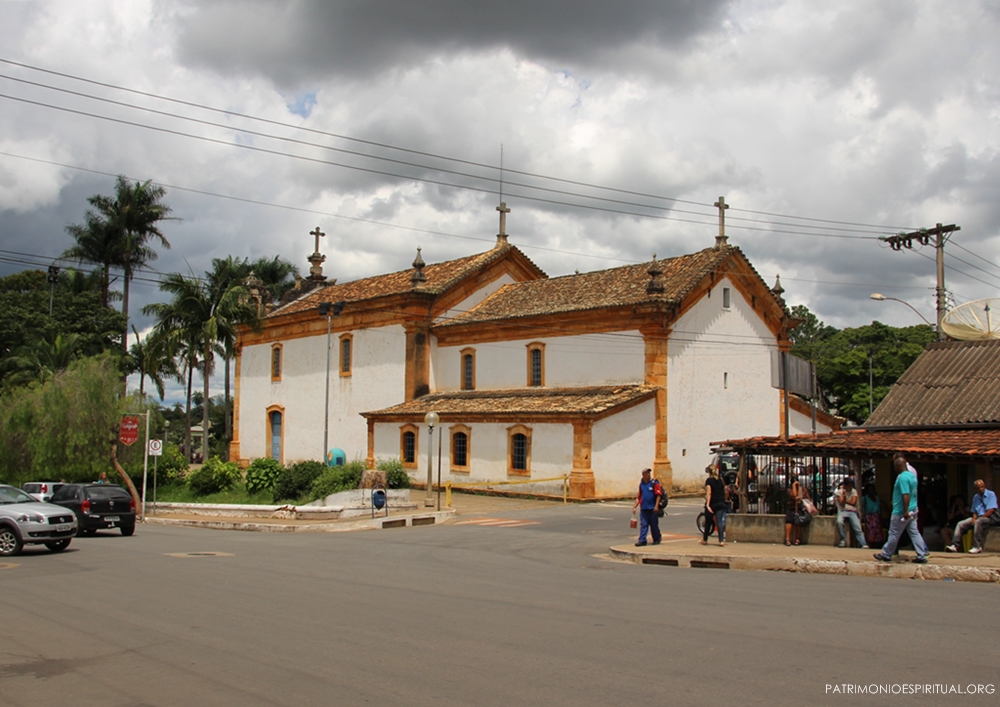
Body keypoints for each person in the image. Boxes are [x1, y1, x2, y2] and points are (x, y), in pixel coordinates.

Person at [873, 454, 929, 564]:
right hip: (913, 509)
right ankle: (922, 554)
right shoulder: (912, 475)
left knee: (894, 533)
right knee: (914, 532)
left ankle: (886, 554)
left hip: (901, 511)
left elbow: (905, 494)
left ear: (898, 466)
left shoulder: (902, 477)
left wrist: (905, 511)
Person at [944, 480, 999, 554]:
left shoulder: (991, 494)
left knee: (979, 522)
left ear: (984, 486)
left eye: (982, 487)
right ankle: (954, 545)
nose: (980, 489)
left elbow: (991, 510)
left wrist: (981, 518)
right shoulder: (976, 497)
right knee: (961, 524)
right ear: (976, 489)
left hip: (989, 518)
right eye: (978, 488)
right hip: (978, 517)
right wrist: (973, 518)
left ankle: (977, 546)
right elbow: (975, 511)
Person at [631, 468, 663, 547]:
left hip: (652, 508)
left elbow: (658, 495)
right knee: (643, 525)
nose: (648, 474)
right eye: (646, 473)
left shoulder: (654, 483)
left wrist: (656, 506)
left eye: (649, 473)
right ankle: (642, 540)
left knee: (654, 525)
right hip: (644, 508)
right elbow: (639, 497)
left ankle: (656, 538)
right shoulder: (641, 484)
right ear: (643, 475)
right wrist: (635, 506)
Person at [835, 478, 868, 549]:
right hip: (842, 511)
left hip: (852, 511)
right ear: (845, 485)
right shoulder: (839, 492)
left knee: (857, 527)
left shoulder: (854, 491)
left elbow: (853, 502)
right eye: (849, 485)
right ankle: (843, 540)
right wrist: (844, 496)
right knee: (839, 522)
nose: (851, 487)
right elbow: (841, 503)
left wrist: (845, 500)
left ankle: (863, 543)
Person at [702, 467, 728, 546]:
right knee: (719, 521)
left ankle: (705, 539)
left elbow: (709, 493)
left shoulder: (709, 481)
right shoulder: (721, 480)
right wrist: (725, 500)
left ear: (709, 472)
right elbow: (725, 490)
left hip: (712, 503)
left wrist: (708, 504)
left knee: (708, 522)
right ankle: (721, 540)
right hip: (720, 502)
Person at [784, 474, 803, 546]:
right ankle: (788, 539)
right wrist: (794, 486)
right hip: (791, 508)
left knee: (799, 522)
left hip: (799, 508)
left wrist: (799, 489)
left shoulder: (802, 489)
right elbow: (794, 495)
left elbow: (803, 497)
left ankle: (798, 538)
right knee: (789, 521)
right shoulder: (789, 490)